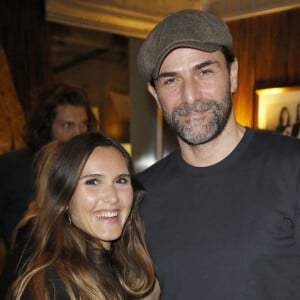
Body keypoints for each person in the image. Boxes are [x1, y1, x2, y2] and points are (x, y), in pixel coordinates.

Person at [136, 9, 300, 300]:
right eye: (171, 80)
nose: (190, 96)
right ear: (154, 94)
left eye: (204, 71)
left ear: (232, 74)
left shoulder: (291, 166)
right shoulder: (141, 194)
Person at [6, 132, 159, 300]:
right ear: (65, 197)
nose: (112, 196)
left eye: (121, 180)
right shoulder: (53, 289)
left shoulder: (125, 271)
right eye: (93, 182)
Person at [0, 81, 97, 250]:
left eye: (83, 124)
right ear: (46, 127)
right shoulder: (12, 167)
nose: (78, 133)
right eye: (67, 125)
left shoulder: (93, 167)